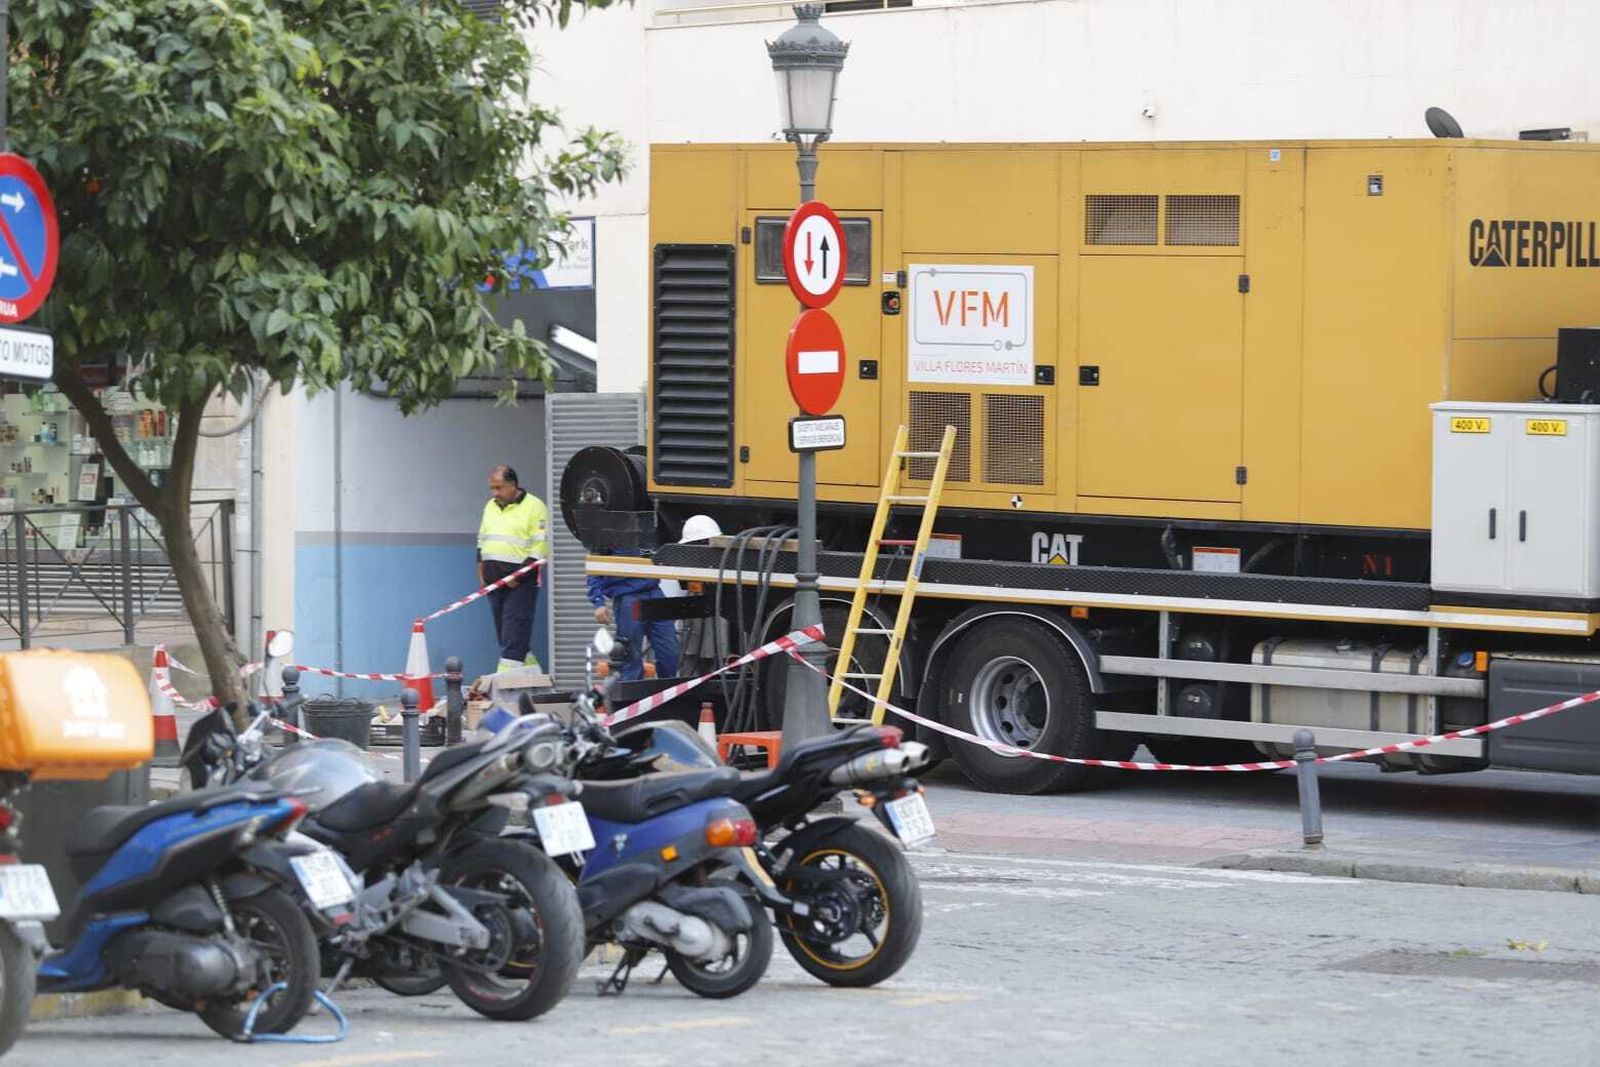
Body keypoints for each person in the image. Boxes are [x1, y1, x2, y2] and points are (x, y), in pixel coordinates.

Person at [478, 464, 547, 673]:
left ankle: (506, 684)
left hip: (520, 583)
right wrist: (480, 566)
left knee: (513, 637)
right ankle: (532, 675)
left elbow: (541, 545)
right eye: (492, 488)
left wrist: (518, 576)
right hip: (493, 582)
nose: (495, 493)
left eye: (499, 488)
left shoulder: (535, 506)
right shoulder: (490, 506)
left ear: (513, 485)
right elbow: (482, 538)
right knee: (506, 636)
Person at [586, 571, 682, 683]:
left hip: (655, 592)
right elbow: (595, 570)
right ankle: (631, 699)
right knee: (631, 657)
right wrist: (598, 602)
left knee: (670, 653)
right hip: (628, 596)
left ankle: (669, 694)